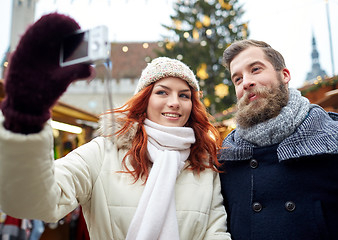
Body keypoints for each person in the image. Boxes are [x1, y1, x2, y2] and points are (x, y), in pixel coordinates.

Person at [0, 13, 231, 240]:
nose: (174, 102)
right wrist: (25, 119)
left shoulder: (204, 163)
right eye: (162, 92)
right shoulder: (103, 152)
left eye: (184, 95)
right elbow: (33, 202)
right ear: (145, 100)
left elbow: (216, 232)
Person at [219, 39, 338, 240]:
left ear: (284, 75)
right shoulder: (227, 160)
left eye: (256, 69)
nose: (247, 82)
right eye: (238, 79)